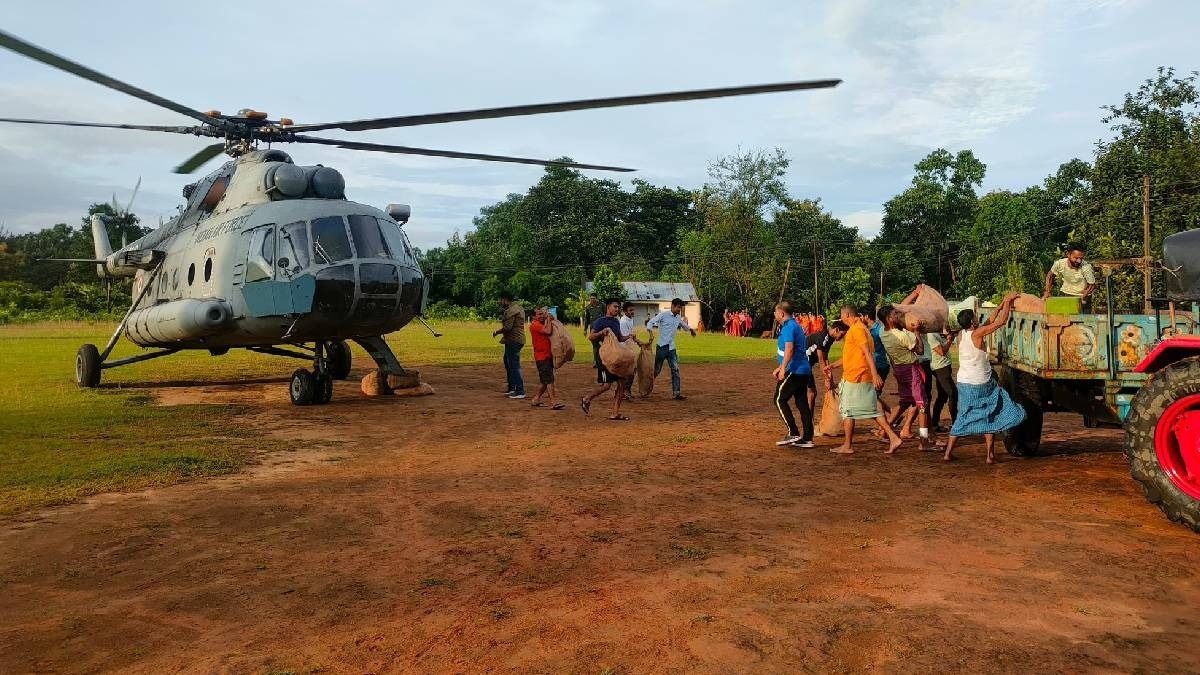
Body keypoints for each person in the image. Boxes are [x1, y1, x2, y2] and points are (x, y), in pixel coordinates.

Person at [944, 294, 1027, 464]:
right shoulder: (977, 334)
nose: (978, 318)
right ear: (972, 322)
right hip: (981, 383)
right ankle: (989, 455)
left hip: (964, 383)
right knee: (992, 413)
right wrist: (1008, 303)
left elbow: (988, 321)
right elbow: (1000, 322)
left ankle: (948, 453)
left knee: (963, 416)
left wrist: (1001, 304)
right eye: (975, 317)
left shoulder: (961, 334)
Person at [830, 305, 903, 454]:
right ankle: (893, 438)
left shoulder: (857, 329)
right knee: (873, 410)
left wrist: (875, 374)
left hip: (856, 377)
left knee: (848, 411)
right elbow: (853, 355)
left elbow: (867, 353)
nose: (841, 318)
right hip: (860, 375)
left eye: (841, 315)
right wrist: (833, 365)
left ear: (847, 315)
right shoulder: (860, 329)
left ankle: (848, 446)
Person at [880, 308, 937, 450]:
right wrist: (916, 332)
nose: (898, 315)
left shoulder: (883, 333)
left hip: (899, 370)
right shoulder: (901, 335)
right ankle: (924, 442)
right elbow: (920, 350)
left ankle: (884, 431)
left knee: (905, 402)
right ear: (889, 319)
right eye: (895, 314)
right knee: (922, 405)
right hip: (911, 370)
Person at [582, 299, 634, 420]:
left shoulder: (616, 322)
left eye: (618, 307)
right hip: (604, 359)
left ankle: (615, 413)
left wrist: (629, 336)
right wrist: (602, 332)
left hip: (615, 358)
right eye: (615, 307)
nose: (617, 309)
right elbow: (591, 336)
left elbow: (619, 338)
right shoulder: (600, 321)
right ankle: (587, 398)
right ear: (608, 307)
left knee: (622, 383)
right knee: (606, 385)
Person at [772, 301, 814, 448]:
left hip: (795, 370)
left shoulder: (788, 327)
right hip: (803, 369)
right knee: (802, 403)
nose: (774, 314)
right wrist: (780, 367)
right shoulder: (795, 325)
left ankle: (793, 432)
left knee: (779, 399)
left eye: (775, 312)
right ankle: (807, 438)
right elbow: (793, 351)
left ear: (781, 313)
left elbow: (789, 349)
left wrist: (783, 368)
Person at [646, 298, 696, 400]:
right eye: (678, 307)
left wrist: (691, 329)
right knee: (656, 370)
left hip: (671, 348)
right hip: (661, 347)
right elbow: (650, 322)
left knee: (675, 369)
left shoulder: (677, 317)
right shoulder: (663, 315)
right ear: (672, 306)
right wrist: (650, 333)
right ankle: (645, 387)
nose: (679, 310)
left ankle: (676, 393)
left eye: (680, 308)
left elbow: (684, 325)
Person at [805, 319, 847, 412]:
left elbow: (825, 358)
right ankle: (808, 419)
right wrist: (827, 379)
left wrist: (830, 379)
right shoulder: (824, 338)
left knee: (811, 392)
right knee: (811, 393)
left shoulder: (830, 338)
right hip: (803, 363)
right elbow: (821, 360)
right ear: (836, 330)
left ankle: (808, 418)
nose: (842, 337)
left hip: (805, 363)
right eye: (842, 334)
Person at [528, 306, 564, 410]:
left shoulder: (541, 323)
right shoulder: (535, 325)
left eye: (542, 314)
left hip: (547, 356)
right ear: (533, 317)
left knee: (545, 380)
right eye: (539, 314)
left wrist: (549, 318)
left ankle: (536, 399)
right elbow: (548, 331)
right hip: (542, 357)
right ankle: (553, 402)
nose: (542, 316)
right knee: (549, 380)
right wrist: (548, 318)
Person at [492, 292, 526, 399]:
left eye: (501, 300)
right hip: (516, 339)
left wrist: (497, 332)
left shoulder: (511, 311)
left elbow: (508, 327)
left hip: (513, 340)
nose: (500, 302)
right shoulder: (519, 308)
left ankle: (519, 390)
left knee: (514, 365)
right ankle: (512, 388)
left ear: (505, 299)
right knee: (508, 363)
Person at [1043, 243, 1097, 310]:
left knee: (1082, 316)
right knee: (1064, 315)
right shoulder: (1060, 264)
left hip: (1082, 296)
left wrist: (1085, 295)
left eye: (1081, 258)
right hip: (1066, 294)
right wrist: (1047, 291)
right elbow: (1050, 275)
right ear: (1068, 254)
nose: (1079, 261)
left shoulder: (1086, 267)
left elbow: (1092, 285)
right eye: (1076, 258)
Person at [928, 329, 957, 431]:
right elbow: (941, 351)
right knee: (953, 393)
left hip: (943, 367)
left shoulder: (936, 333)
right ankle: (956, 424)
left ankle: (935, 423)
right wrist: (949, 340)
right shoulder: (931, 335)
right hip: (940, 368)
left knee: (943, 396)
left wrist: (948, 338)